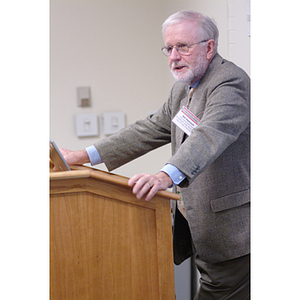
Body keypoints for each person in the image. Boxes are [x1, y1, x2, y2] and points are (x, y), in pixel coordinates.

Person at [59, 10, 250, 300]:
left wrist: (164, 176)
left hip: (234, 234)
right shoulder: (183, 88)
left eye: (183, 46)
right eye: (169, 48)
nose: (174, 56)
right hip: (204, 230)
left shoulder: (229, 82)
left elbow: (208, 136)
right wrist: (81, 155)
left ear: (209, 47)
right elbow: (148, 129)